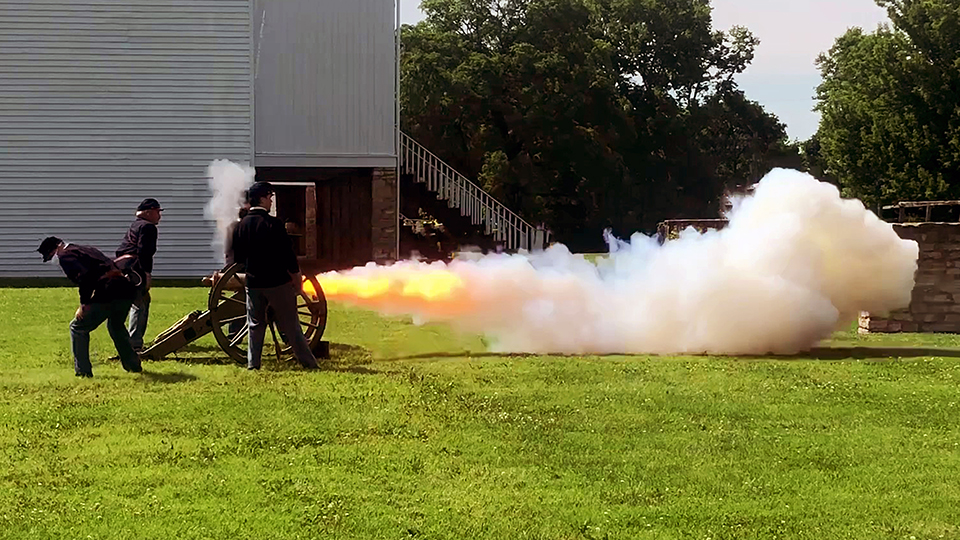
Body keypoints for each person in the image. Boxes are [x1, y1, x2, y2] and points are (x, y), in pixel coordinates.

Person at [232, 181, 318, 370]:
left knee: (255, 325)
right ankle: (309, 363)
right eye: (270, 197)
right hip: (277, 283)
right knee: (291, 325)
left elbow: (238, 258)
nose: (271, 201)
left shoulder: (241, 226)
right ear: (262, 199)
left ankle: (253, 364)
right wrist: (297, 278)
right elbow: (288, 255)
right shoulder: (274, 224)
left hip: (253, 283)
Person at [37, 236, 142, 378]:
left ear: (55, 248)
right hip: (125, 289)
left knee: (78, 327)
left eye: (50, 256)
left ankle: (83, 371)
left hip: (109, 290)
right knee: (116, 326)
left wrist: (84, 303)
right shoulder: (85, 249)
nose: (52, 260)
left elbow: (85, 277)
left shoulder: (65, 256)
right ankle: (133, 365)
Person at [115, 198, 162, 352]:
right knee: (140, 302)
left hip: (124, 267)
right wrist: (146, 273)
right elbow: (144, 251)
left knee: (136, 302)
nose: (159, 216)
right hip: (135, 269)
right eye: (157, 212)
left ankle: (129, 340)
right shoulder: (148, 227)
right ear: (148, 212)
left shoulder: (136, 225)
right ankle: (134, 343)